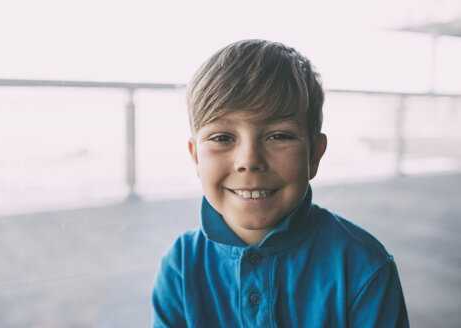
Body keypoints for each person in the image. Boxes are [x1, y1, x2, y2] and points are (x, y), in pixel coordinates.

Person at [151, 39, 409, 327]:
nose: (249, 160)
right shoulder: (180, 267)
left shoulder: (364, 267)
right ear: (196, 157)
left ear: (314, 155)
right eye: (223, 137)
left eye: (278, 136)